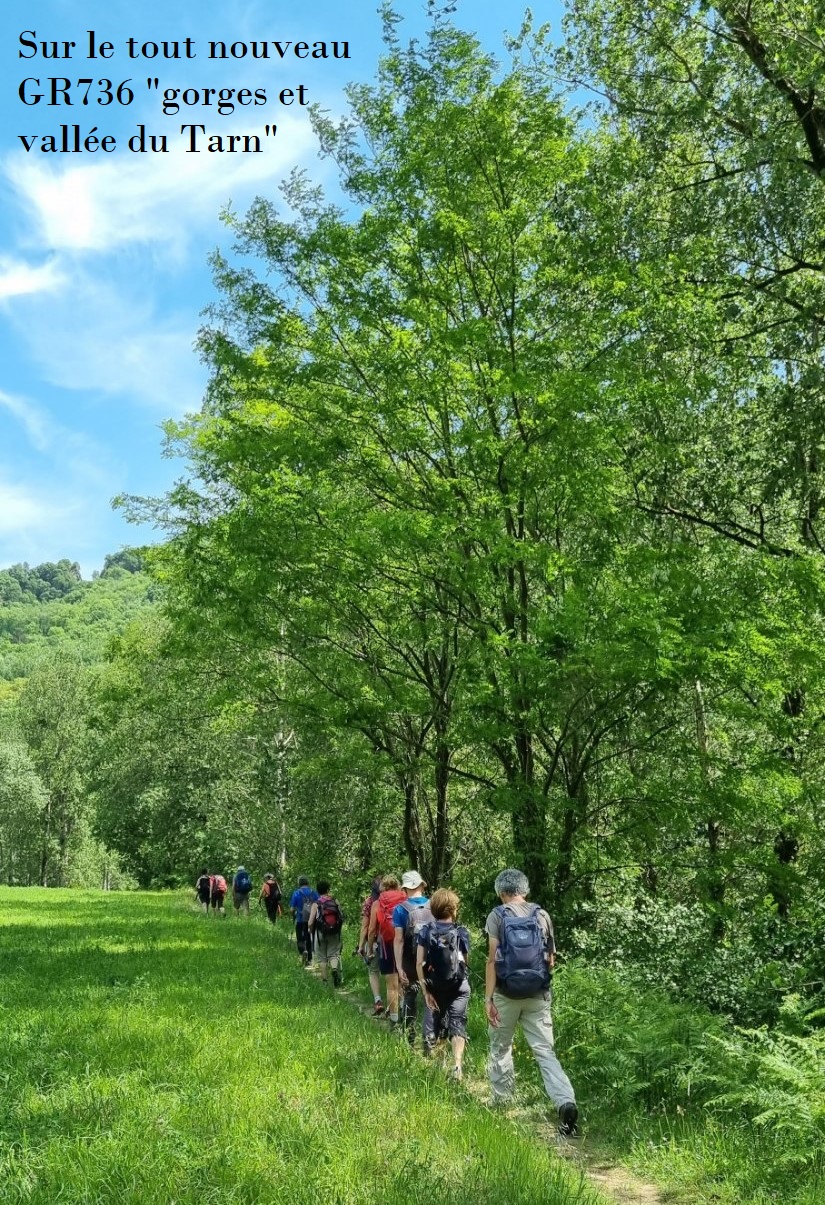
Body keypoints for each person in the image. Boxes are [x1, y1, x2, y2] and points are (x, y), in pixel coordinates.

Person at [485, 868, 578, 1137]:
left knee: (501, 1047)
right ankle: (565, 1102)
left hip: (506, 995)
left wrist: (488, 999)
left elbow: (491, 960)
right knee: (545, 1052)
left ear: (501, 892)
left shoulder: (497, 915)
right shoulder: (542, 915)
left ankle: (502, 1102)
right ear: (524, 890)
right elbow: (551, 959)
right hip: (538, 995)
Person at [417, 887, 471, 1081]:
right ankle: (457, 1066)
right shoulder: (461, 932)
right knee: (458, 1022)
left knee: (436, 1020)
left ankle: (437, 1064)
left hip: (435, 985)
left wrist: (425, 991)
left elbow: (419, 963)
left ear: (434, 909)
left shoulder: (426, 931)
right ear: (453, 909)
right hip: (459, 986)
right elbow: (465, 961)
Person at [393, 870, 435, 1053]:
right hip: (431, 962)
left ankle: (409, 1037)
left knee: (409, 996)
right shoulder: (434, 905)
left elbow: (399, 940)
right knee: (430, 998)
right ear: (422, 886)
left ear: (405, 889)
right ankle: (429, 1041)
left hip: (410, 962)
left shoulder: (400, 909)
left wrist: (399, 966)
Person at [367, 874, 405, 1026]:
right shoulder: (405, 899)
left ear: (383, 887)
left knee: (391, 986)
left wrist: (370, 949)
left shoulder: (377, 903)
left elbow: (371, 930)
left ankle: (394, 1020)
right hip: (404, 943)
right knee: (403, 981)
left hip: (386, 945)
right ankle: (404, 1012)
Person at [356, 878, 384, 1015]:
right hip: (391, 941)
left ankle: (378, 1001)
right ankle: (396, 1006)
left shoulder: (370, 902)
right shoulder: (394, 900)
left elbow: (366, 927)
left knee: (373, 972)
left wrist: (361, 946)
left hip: (374, 941)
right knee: (392, 974)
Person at [308, 880, 344, 987]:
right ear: (328, 890)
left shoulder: (316, 904)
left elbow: (310, 922)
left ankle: (324, 981)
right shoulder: (335, 901)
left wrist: (310, 930)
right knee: (333, 954)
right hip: (334, 932)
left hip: (320, 933)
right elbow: (341, 916)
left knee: (322, 957)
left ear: (318, 891)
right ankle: (334, 969)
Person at [290, 876, 318, 964]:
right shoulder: (314, 893)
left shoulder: (296, 893)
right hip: (312, 920)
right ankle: (309, 958)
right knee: (309, 938)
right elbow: (319, 905)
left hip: (300, 919)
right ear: (307, 883)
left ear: (299, 883)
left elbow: (292, 909)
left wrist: (293, 915)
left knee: (300, 938)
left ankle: (303, 951)